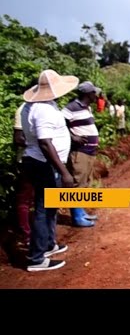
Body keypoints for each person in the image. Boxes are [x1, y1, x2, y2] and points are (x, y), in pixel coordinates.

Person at [21, 69, 79, 272]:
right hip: (43, 164)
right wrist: (64, 172)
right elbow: (45, 143)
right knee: (43, 209)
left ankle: (47, 245)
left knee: (49, 206)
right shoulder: (43, 110)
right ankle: (37, 259)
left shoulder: (36, 106)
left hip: (40, 162)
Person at [61, 81, 101, 227]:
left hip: (89, 151)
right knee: (78, 184)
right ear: (87, 94)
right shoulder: (71, 108)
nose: (95, 95)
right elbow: (59, 125)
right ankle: (77, 217)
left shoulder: (86, 108)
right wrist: (73, 137)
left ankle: (82, 212)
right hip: (80, 152)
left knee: (84, 183)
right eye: (93, 93)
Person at [13, 101, 35, 246]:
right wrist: (38, 143)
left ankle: (40, 234)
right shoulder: (23, 109)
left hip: (42, 160)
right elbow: (17, 138)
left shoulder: (41, 107)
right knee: (25, 199)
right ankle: (27, 235)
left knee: (38, 199)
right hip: (28, 160)